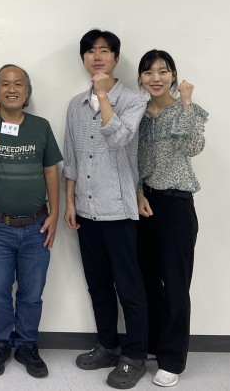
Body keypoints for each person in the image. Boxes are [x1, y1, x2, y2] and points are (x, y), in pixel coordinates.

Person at [63, 29, 148, 390]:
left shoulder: (133, 100)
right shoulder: (75, 105)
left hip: (119, 209)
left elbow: (120, 137)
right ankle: (107, 346)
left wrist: (102, 95)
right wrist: (70, 201)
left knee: (129, 288)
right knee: (97, 285)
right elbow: (71, 156)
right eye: (91, 52)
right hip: (86, 209)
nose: (97, 57)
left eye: (104, 51)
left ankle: (135, 355)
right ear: (84, 58)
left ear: (116, 58)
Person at [0, 64, 62, 378]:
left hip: (37, 226)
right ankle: (1, 342)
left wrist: (54, 214)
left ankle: (26, 344)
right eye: (5, 84)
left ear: (27, 90)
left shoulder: (40, 126)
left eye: (18, 84)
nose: (12, 89)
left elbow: (51, 170)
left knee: (31, 292)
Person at [135, 50, 208, 388]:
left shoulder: (185, 110)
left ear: (174, 76)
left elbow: (194, 147)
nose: (156, 78)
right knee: (147, 280)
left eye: (163, 71)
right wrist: (139, 193)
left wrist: (187, 103)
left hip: (176, 204)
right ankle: (153, 344)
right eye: (149, 72)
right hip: (144, 204)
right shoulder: (138, 115)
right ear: (140, 78)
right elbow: (133, 159)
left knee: (176, 283)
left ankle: (172, 360)